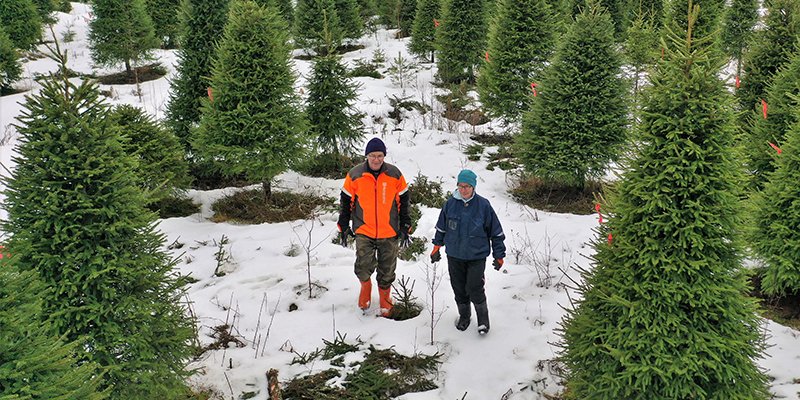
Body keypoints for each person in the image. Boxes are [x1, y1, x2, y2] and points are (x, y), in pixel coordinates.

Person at [337, 137, 412, 317]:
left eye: (379, 156)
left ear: (384, 156)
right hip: (364, 229)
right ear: (367, 156)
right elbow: (346, 201)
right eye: (372, 156)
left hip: (389, 230)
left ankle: (385, 300)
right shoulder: (355, 175)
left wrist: (405, 224)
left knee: (387, 268)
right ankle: (366, 288)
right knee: (363, 265)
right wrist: (344, 223)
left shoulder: (394, 174)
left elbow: (404, 201)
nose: (376, 159)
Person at [430, 169, 505, 335]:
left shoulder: (483, 205)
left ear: (474, 187)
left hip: (476, 256)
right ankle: (464, 316)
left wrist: (499, 255)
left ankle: (483, 321)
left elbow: (496, 233)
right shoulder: (450, 204)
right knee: (458, 288)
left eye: (467, 186)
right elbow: (441, 228)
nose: (463, 190)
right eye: (461, 186)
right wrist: (436, 248)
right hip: (455, 255)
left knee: (474, 287)